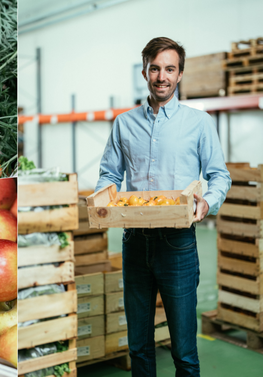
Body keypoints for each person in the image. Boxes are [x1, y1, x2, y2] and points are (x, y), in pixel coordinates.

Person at [95, 37, 231, 377]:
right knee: (139, 347)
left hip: (178, 243)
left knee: (184, 349)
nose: (161, 76)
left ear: (180, 74)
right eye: (155, 68)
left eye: (169, 69)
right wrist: (102, 201)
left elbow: (219, 176)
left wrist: (208, 204)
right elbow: (109, 175)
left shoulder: (198, 124)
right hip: (135, 242)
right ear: (144, 71)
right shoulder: (124, 124)